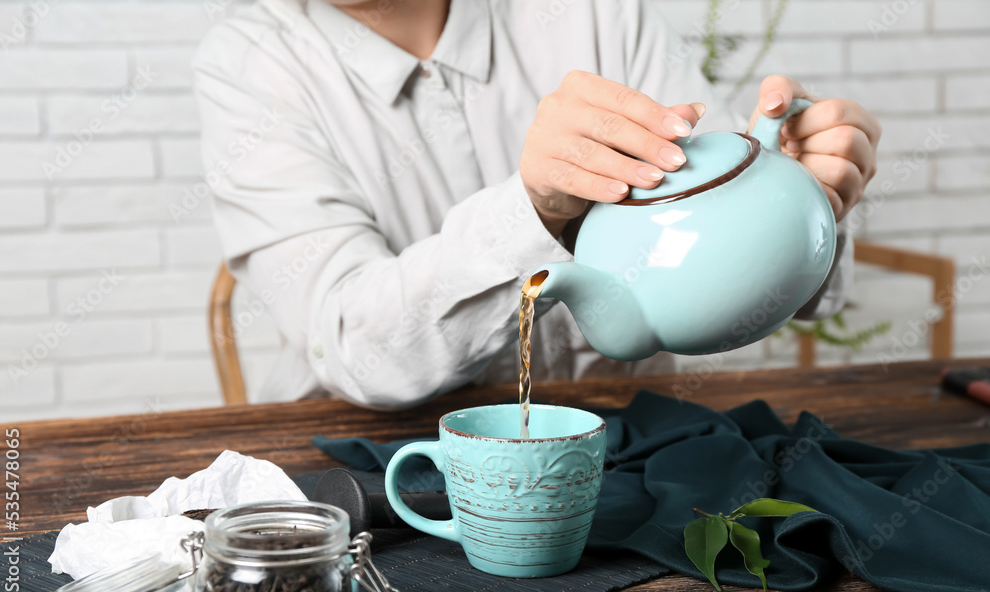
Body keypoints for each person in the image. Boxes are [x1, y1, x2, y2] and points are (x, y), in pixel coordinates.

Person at [193, 0, 880, 409]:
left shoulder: (588, 12)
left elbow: (714, 235)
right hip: (382, 484)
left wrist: (804, 201)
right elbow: (353, 347)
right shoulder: (249, 62)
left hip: (633, 451)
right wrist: (533, 208)